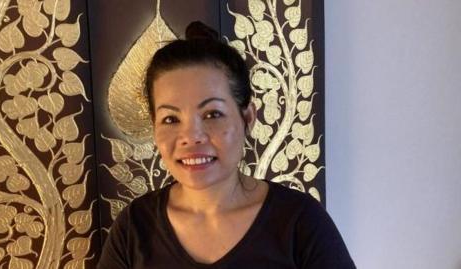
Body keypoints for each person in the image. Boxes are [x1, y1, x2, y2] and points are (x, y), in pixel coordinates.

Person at [97, 21, 356, 269]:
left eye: (212, 114)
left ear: (247, 118)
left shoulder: (300, 222)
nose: (191, 136)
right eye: (171, 119)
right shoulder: (134, 228)